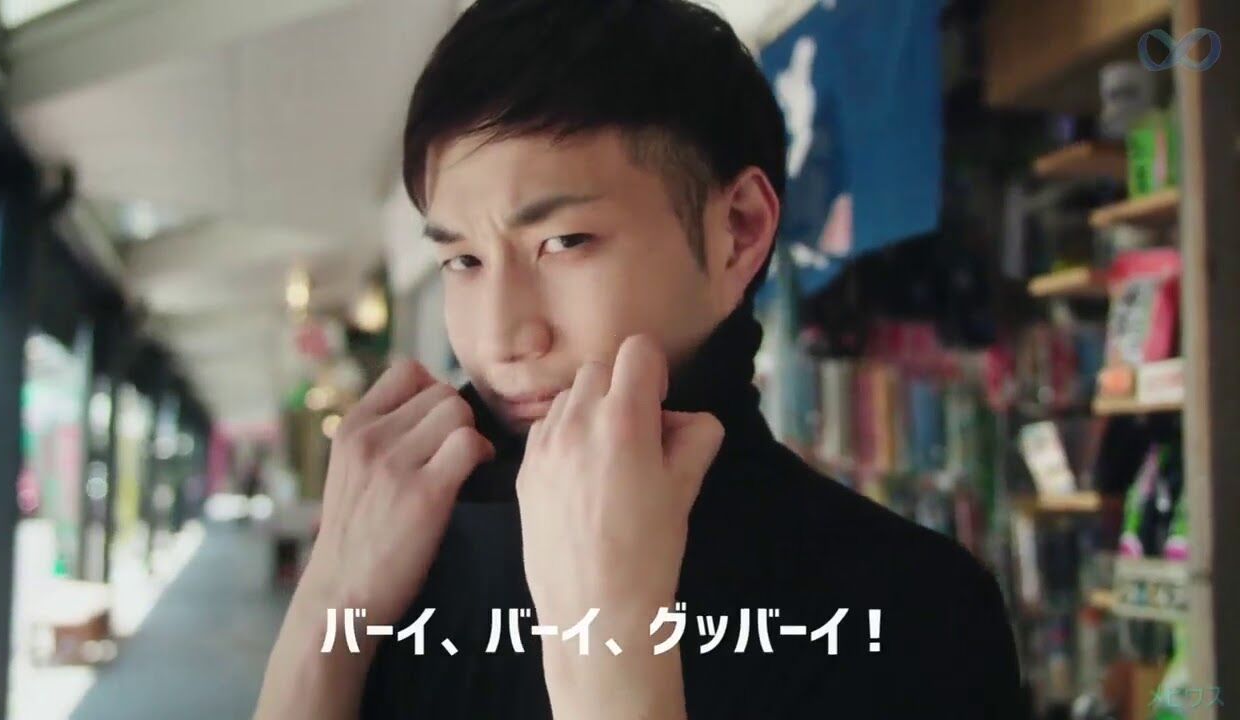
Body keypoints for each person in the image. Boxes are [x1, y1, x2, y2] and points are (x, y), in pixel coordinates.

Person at [255, 1, 1026, 717]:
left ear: (738, 231)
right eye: (462, 260)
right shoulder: (400, 549)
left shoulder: (909, 608)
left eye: (564, 242)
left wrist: (608, 651)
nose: (503, 336)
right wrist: (327, 607)